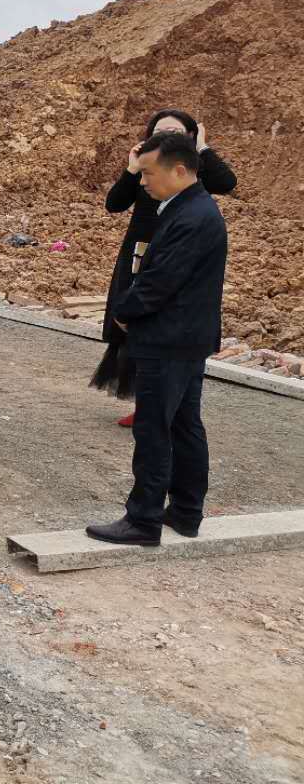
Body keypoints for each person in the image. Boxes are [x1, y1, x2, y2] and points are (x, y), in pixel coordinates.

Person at [87, 132, 227, 547]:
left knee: (153, 430)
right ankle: (185, 511)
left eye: (148, 173)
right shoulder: (193, 208)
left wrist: (124, 312)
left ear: (179, 170)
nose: (143, 181)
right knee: (184, 425)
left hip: (168, 338)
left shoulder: (192, 217)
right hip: (186, 338)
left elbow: (160, 280)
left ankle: (143, 519)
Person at [92, 110, 235, 427]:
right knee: (134, 326)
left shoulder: (190, 170)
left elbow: (227, 182)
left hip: (176, 249)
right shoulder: (148, 170)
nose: (167, 136)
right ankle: (144, 400)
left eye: (176, 131)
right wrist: (133, 169)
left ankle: (157, 405)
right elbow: (114, 203)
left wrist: (203, 148)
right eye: (159, 131)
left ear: (190, 136)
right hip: (140, 250)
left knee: (158, 320)